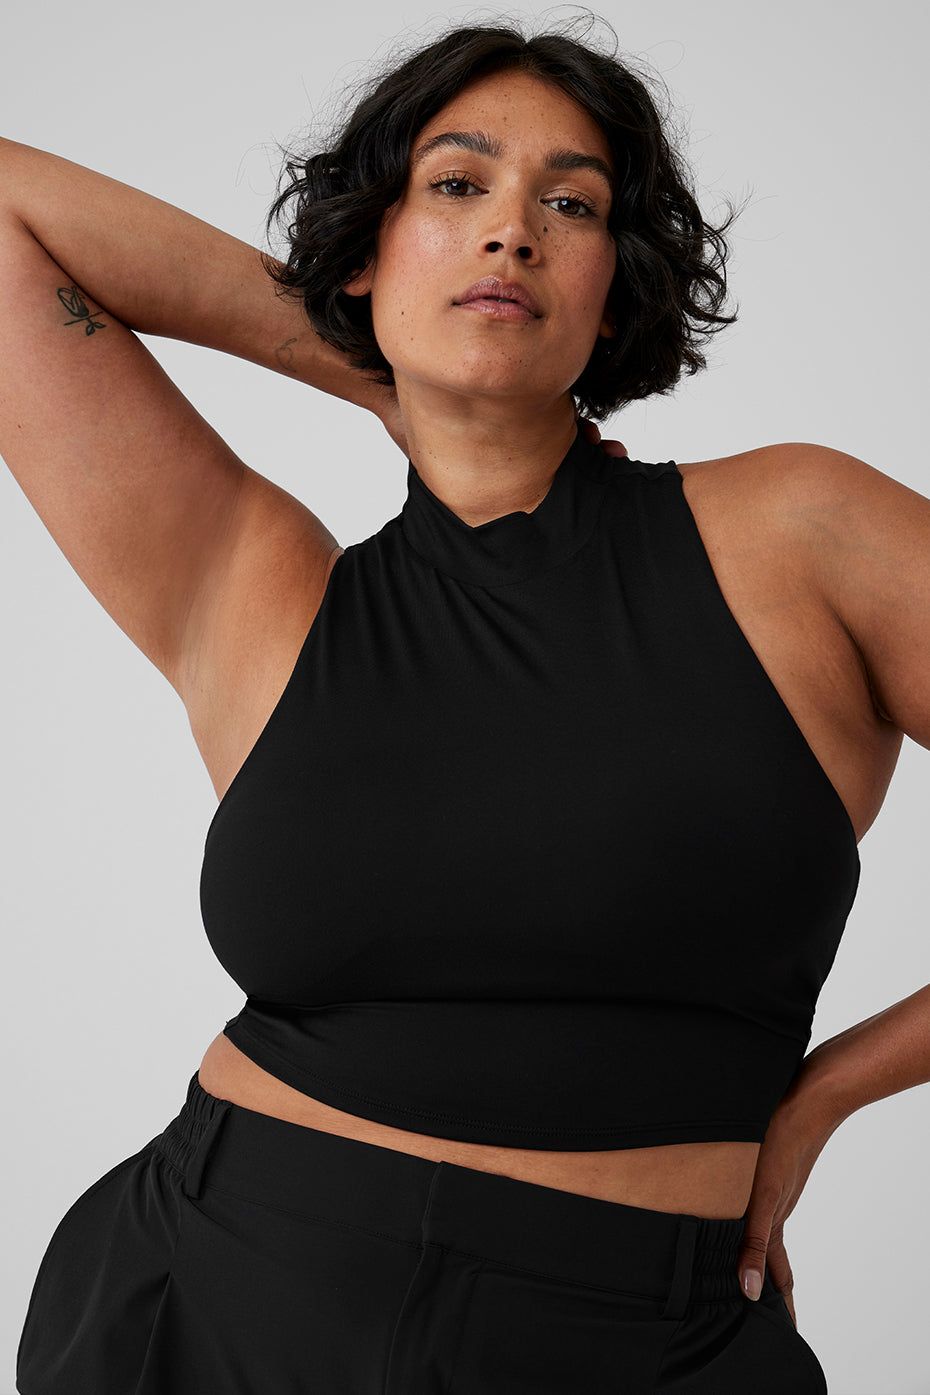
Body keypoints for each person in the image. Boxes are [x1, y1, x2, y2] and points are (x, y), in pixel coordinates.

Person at [5, 16, 930, 1394]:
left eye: (573, 204)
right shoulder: (256, 591)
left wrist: (829, 1092)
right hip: (216, 1295)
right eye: (456, 185)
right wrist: (368, 361)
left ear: (616, 284)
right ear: (365, 248)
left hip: (648, 1340)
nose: (511, 230)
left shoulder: (801, 533)